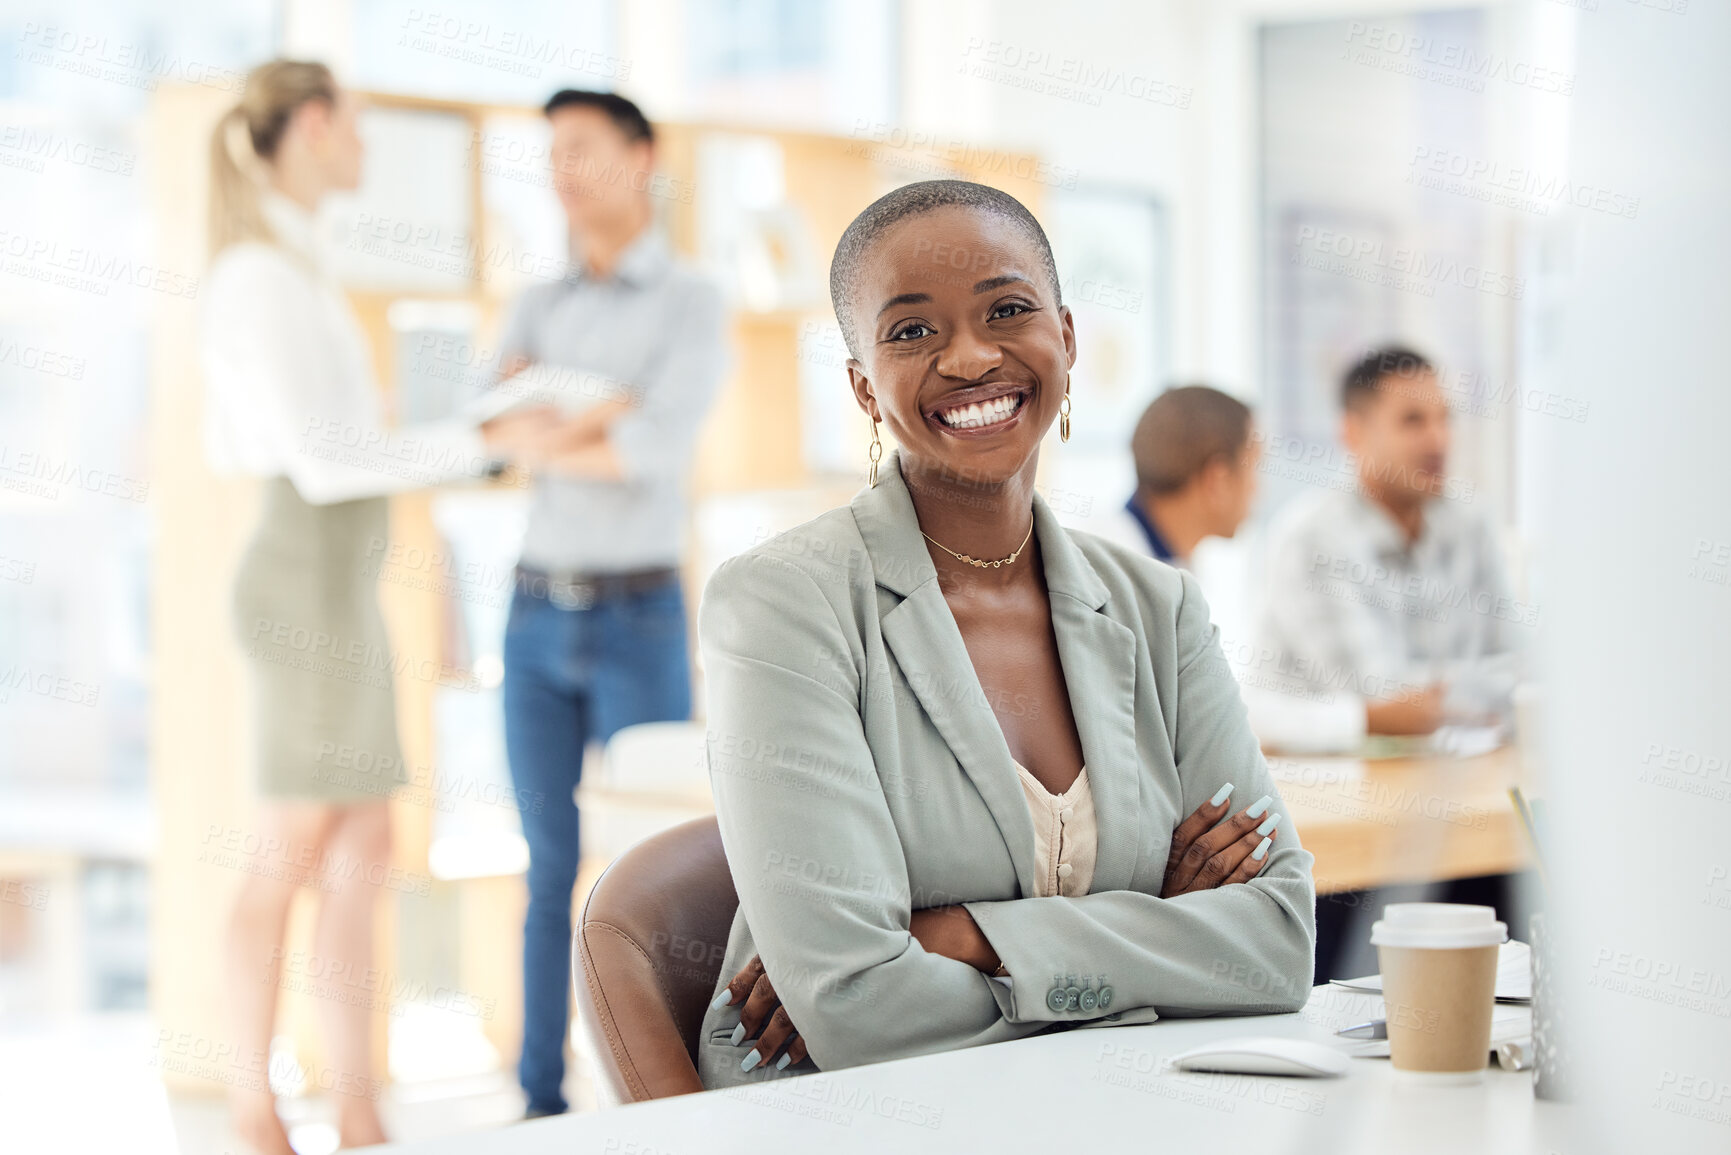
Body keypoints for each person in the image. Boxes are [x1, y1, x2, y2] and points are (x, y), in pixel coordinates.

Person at [692, 180, 1314, 1089]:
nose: (970, 356)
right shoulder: (782, 605)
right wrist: (1156, 933)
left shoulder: (1157, 606)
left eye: (1006, 310)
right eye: (911, 331)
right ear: (865, 387)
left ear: (1063, 337)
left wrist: (959, 935)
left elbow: (1276, 944)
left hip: (1104, 1104)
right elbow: (858, 1009)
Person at [199, 61, 549, 1154]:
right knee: (289, 850)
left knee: (362, 855)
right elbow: (325, 458)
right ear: (311, 127)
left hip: (342, 585)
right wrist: (486, 444)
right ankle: (253, 1109)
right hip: (302, 576)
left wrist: (477, 421)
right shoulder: (258, 275)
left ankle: (361, 1108)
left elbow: (353, 427)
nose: (365, 144)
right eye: (353, 124)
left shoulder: (300, 266)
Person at [491, 89, 728, 1118]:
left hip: (639, 619)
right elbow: (495, 434)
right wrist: (591, 422)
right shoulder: (536, 302)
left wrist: (562, 425)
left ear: (642, 158)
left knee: (649, 875)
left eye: (582, 148)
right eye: (552, 153)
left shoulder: (692, 300)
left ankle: (664, 1103)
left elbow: (653, 449)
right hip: (535, 610)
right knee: (546, 870)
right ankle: (539, 1105)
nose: (563, 170)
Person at [1248, 346, 1521, 754]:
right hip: (1329, 787)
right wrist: (1479, 687)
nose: (1438, 439)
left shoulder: (1471, 522)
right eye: (1413, 421)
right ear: (1353, 433)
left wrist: (1443, 695)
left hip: (1444, 775)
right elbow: (1377, 698)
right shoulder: (1312, 539)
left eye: (1445, 418)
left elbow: (1521, 673)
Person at [1094, 385, 1261, 569]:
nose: (1255, 487)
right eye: (1253, 467)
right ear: (1217, 481)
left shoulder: (1169, 562)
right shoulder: (1110, 570)